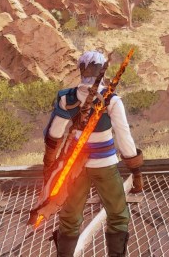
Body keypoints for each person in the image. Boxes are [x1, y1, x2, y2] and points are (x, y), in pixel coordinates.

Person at [43, 50, 143, 257]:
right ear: (102, 71)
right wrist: (135, 169)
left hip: (75, 166)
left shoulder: (67, 98)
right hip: (105, 164)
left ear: (81, 69)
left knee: (70, 216)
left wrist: (49, 164)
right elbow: (124, 136)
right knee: (117, 215)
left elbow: (55, 133)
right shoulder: (112, 100)